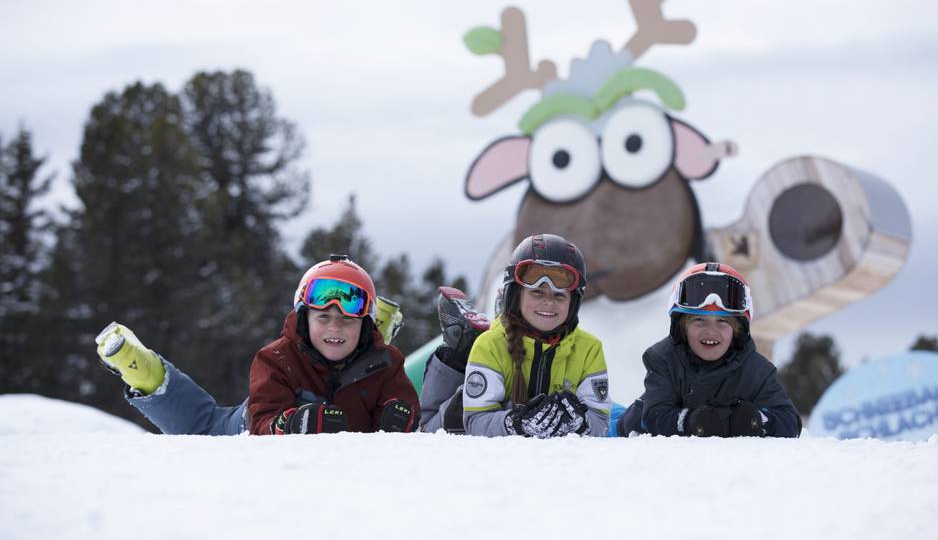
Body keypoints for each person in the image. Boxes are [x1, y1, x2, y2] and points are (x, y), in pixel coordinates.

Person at [95, 254, 416, 435]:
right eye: (323, 317)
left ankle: (373, 330)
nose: (334, 327)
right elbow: (262, 421)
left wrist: (398, 416)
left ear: (365, 324)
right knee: (202, 426)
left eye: (348, 320)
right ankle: (142, 369)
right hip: (246, 425)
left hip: (361, 370)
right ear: (303, 320)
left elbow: (403, 401)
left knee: (366, 355)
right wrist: (293, 424)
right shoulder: (277, 358)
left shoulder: (386, 362)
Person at [433, 233, 611, 438]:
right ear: (516, 295)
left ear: (573, 303)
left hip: (562, 456)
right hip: (477, 440)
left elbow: (601, 424)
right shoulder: (490, 345)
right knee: (448, 414)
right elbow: (476, 421)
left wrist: (579, 423)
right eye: (537, 292)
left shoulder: (589, 350)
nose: (548, 302)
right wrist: (517, 424)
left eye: (559, 296)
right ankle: (459, 343)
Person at [616, 262, 801, 438]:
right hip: (630, 422)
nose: (711, 330)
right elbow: (654, 416)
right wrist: (691, 421)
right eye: (699, 320)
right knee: (618, 421)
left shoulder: (756, 370)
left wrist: (757, 421)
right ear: (682, 328)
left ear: (737, 331)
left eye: (722, 321)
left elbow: (790, 420)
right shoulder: (664, 359)